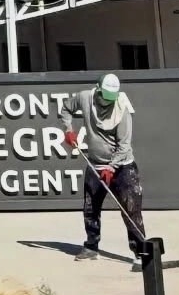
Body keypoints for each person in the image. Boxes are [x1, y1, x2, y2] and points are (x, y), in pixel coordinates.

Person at [59, 73, 144, 262]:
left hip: (122, 167)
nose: (108, 101)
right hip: (95, 165)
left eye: (111, 98)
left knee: (131, 210)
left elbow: (124, 146)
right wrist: (68, 130)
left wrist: (112, 167)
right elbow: (66, 108)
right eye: (105, 96)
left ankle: (141, 251)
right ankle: (91, 246)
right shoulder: (84, 98)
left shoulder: (122, 110)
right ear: (98, 90)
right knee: (90, 208)